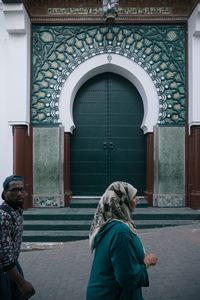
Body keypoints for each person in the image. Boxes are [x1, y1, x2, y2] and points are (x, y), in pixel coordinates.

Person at [86, 181, 157, 300]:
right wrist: (146, 262)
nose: (137, 199)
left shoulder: (109, 225)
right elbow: (127, 278)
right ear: (123, 201)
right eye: (134, 196)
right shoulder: (120, 232)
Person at [0, 175, 35, 300]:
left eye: (21, 190)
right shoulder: (4, 216)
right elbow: (4, 255)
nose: (19, 193)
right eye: (14, 190)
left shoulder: (17, 210)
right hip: (5, 269)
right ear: (4, 194)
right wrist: (22, 283)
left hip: (13, 263)